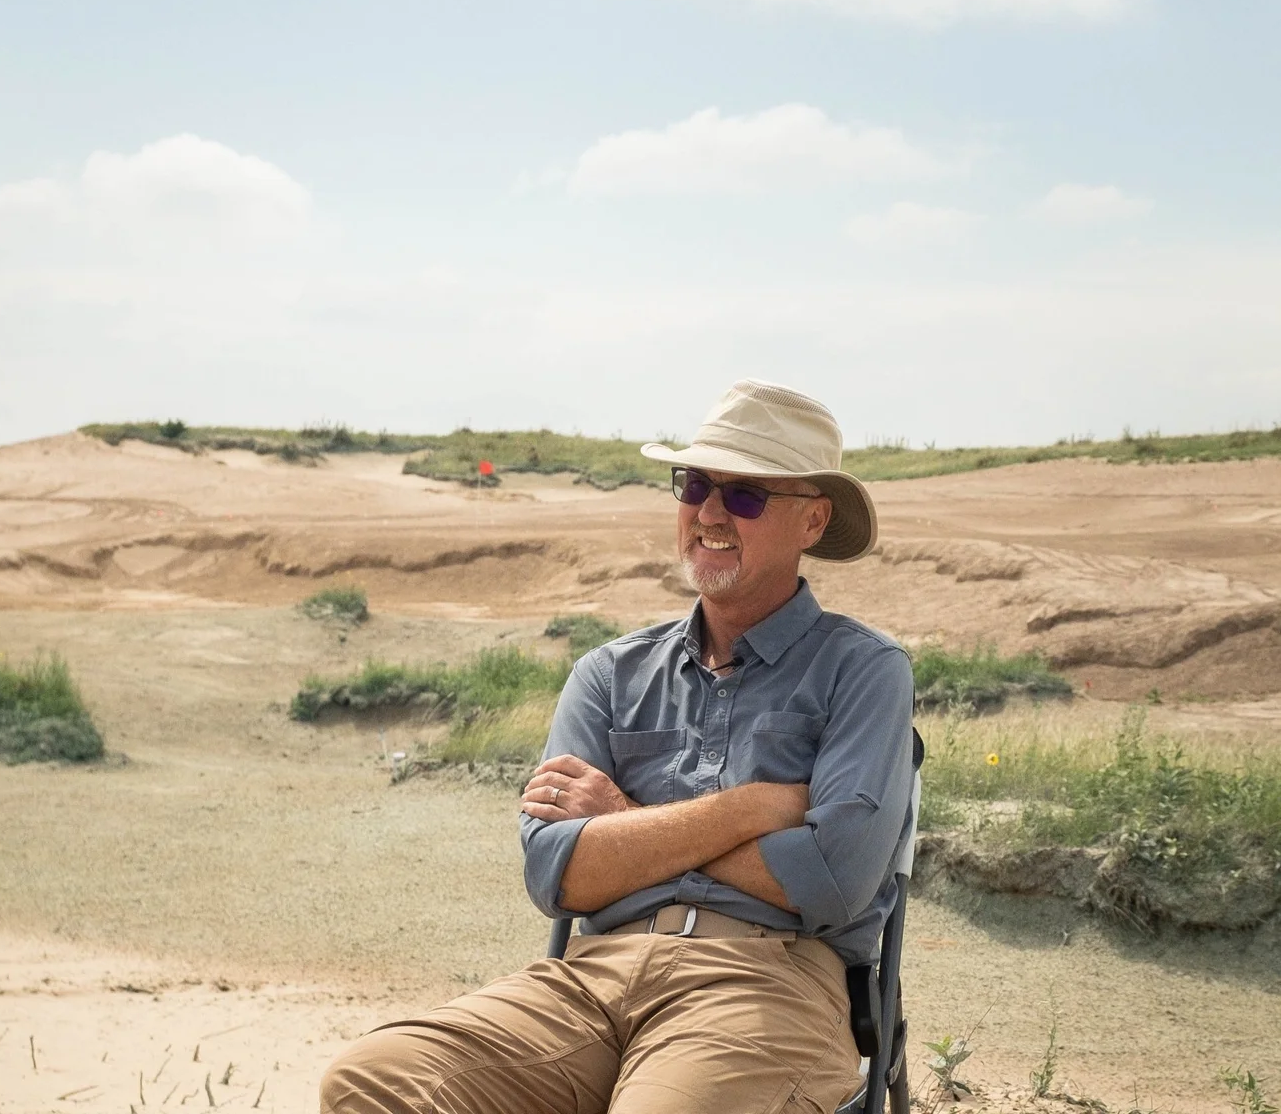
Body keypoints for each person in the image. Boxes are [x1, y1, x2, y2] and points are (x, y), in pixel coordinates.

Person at [321, 379, 915, 1114]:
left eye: (747, 493)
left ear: (813, 520)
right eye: (695, 483)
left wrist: (622, 818)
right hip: (591, 978)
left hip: (767, 979)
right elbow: (557, 871)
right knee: (373, 1077)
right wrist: (756, 808)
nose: (709, 512)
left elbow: (833, 877)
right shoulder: (609, 673)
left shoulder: (863, 669)